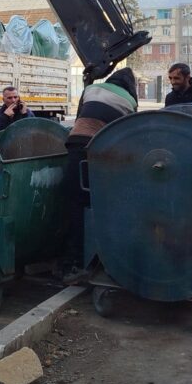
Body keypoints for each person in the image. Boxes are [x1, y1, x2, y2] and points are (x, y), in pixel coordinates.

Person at [61, 67, 138, 283]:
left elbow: (79, 117)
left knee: (74, 204)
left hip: (75, 145)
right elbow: (129, 133)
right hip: (99, 152)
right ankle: (97, 259)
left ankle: (69, 263)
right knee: (101, 205)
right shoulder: (129, 101)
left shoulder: (91, 90)